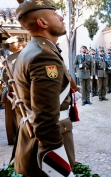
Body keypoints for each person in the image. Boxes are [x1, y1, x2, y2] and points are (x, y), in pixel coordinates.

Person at [14, 0, 75, 176]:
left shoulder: (32, 50)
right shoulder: (44, 57)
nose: (61, 17)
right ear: (42, 22)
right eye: (55, 14)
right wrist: (57, 162)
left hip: (34, 140)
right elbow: (46, 118)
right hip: (48, 148)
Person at [1, 36, 26, 145]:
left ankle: (16, 138)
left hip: (14, 91)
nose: (25, 43)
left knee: (14, 119)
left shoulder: (16, 57)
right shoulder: (17, 57)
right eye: (23, 41)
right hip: (13, 92)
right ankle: (16, 138)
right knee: (14, 119)